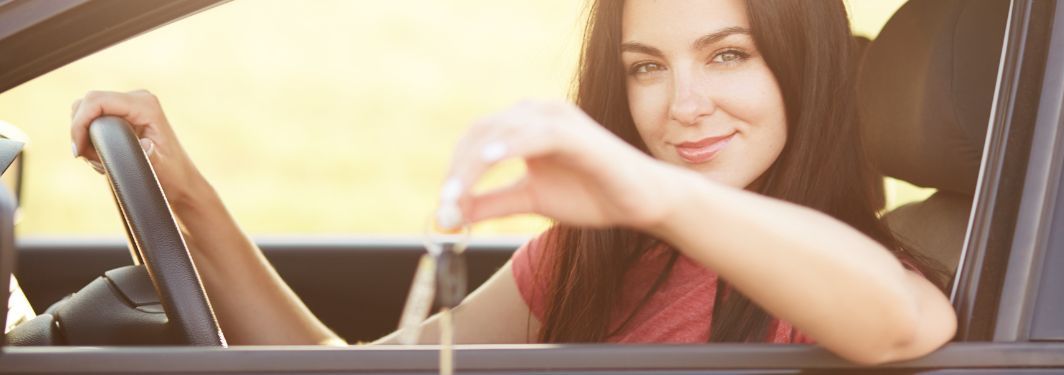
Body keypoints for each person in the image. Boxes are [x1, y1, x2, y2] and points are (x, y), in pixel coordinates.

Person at [68, 0, 956, 365]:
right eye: (645, 68)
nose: (683, 104)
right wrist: (188, 198)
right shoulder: (594, 255)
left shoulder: (828, 273)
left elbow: (905, 320)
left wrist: (657, 195)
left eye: (727, 55)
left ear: (803, 66)